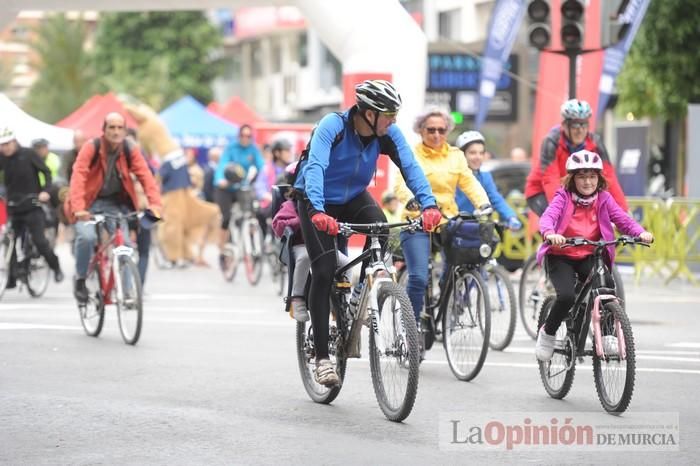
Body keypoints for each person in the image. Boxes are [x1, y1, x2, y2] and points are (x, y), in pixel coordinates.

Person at [294, 80, 442, 386]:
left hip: (352, 198)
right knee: (322, 271)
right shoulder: (332, 126)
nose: (394, 121)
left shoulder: (387, 134)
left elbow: (411, 167)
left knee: (381, 228)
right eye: (388, 114)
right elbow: (316, 167)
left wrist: (429, 205)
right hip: (315, 198)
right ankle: (322, 358)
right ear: (368, 113)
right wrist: (318, 211)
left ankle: (360, 295)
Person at [534, 150, 653, 361]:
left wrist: (640, 233)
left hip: (590, 253)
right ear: (572, 178)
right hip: (561, 255)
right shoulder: (564, 196)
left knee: (606, 286)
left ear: (599, 178)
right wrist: (551, 234)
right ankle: (548, 332)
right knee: (567, 297)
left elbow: (622, 220)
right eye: (581, 176)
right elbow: (548, 217)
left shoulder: (604, 198)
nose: (587, 181)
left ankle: (607, 333)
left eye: (592, 176)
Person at [393, 109, 490, 330]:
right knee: (418, 277)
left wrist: (483, 204)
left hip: (447, 221)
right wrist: (410, 200)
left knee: (460, 266)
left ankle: (445, 306)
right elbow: (400, 183)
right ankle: (412, 327)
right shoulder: (411, 154)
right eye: (431, 130)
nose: (436, 134)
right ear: (420, 130)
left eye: (441, 130)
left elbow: (469, 182)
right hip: (417, 221)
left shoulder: (456, 154)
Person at [66, 112, 162, 303]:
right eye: (112, 127)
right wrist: (78, 208)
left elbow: (146, 177)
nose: (116, 132)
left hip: (115, 204)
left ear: (125, 131)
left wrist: (155, 204)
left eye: (120, 128)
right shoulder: (90, 147)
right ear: (104, 130)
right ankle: (81, 279)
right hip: (87, 203)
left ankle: (126, 294)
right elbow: (78, 177)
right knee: (87, 237)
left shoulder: (129, 149)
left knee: (124, 245)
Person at [271, 164, 350, 323]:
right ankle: (297, 297)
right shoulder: (290, 205)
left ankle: (342, 299)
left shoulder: (326, 204)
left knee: (346, 262)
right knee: (306, 257)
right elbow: (278, 225)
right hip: (301, 245)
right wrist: (301, 221)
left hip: (325, 246)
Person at [525, 99, 628, 217]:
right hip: (540, 191)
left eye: (584, 124)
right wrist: (562, 209)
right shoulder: (551, 141)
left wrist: (623, 211)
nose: (580, 130)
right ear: (564, 125)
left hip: (572, 191)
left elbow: (609, 177)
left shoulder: (595, 142)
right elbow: (550, 179)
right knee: (559, 221)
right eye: (575, 125)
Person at [0, 126, 63, 285]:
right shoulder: (2, 157)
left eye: (7, 144)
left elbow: (46, 172)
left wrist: (46, 191)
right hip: (13, 206)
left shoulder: (28, 154)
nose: (5, 148)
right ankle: (12, 276)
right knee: (10, 241)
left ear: (14, 141)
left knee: (40, 241)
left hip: (32, 205)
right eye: (2, 145)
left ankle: (55, 266)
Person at [214, 124, 265, 268]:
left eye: (248, 136)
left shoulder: (253, 149)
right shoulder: (231, 148)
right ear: (239, 136)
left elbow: (262, 168)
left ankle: (252, 247)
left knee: (251, 214)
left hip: (241, 187)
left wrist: (264, 181)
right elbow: (223, 165)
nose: (245, 139)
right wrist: (220, 179)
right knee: (226, 218)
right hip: (225, 187)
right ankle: (222, 251)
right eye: (243, 135)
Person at [454, 130, 522, 231]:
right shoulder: (452, 176)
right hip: (453, 227)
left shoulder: (485, 177)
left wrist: (511, 217)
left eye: (481, 153)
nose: (478, 157)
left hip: (476, 227)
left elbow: (496, 199)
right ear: (461, 154)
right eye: (472, 153)